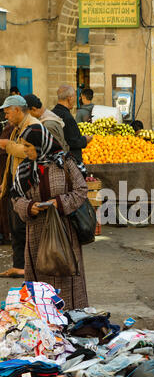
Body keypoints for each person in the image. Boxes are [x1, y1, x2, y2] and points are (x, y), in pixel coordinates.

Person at [12, 124, 89, 310]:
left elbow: (81, 190)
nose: (25, 150)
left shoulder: (66, 163)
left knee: (67, 274)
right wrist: (29, 207)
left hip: (65, 231)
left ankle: (72, 318)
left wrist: (59, 203)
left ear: (40, 146)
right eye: (24, 145)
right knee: (39, 279)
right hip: (37, 234)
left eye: (28, 146)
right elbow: (15, 198)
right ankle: (43, 320)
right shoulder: (24, 169)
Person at [0, 95, 40, 278]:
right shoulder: (17, 128)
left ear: (17, 110)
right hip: (15, 185)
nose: (6, 116)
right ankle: (19, 265)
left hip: (27, 186)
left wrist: (8, 145)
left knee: (23, 229)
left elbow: (30, 152)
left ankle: (27, 267)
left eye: (8, 112)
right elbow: (11, 161)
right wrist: (5, 184)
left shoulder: (33, 126)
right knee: (15, 229)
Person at [52, 85, 93, 164]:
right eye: (75, 96)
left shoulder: (53, 112)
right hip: (69, 161)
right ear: (69, 98)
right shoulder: (67, 117)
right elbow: (73, 142)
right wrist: (85, 139)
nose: (76, 99)